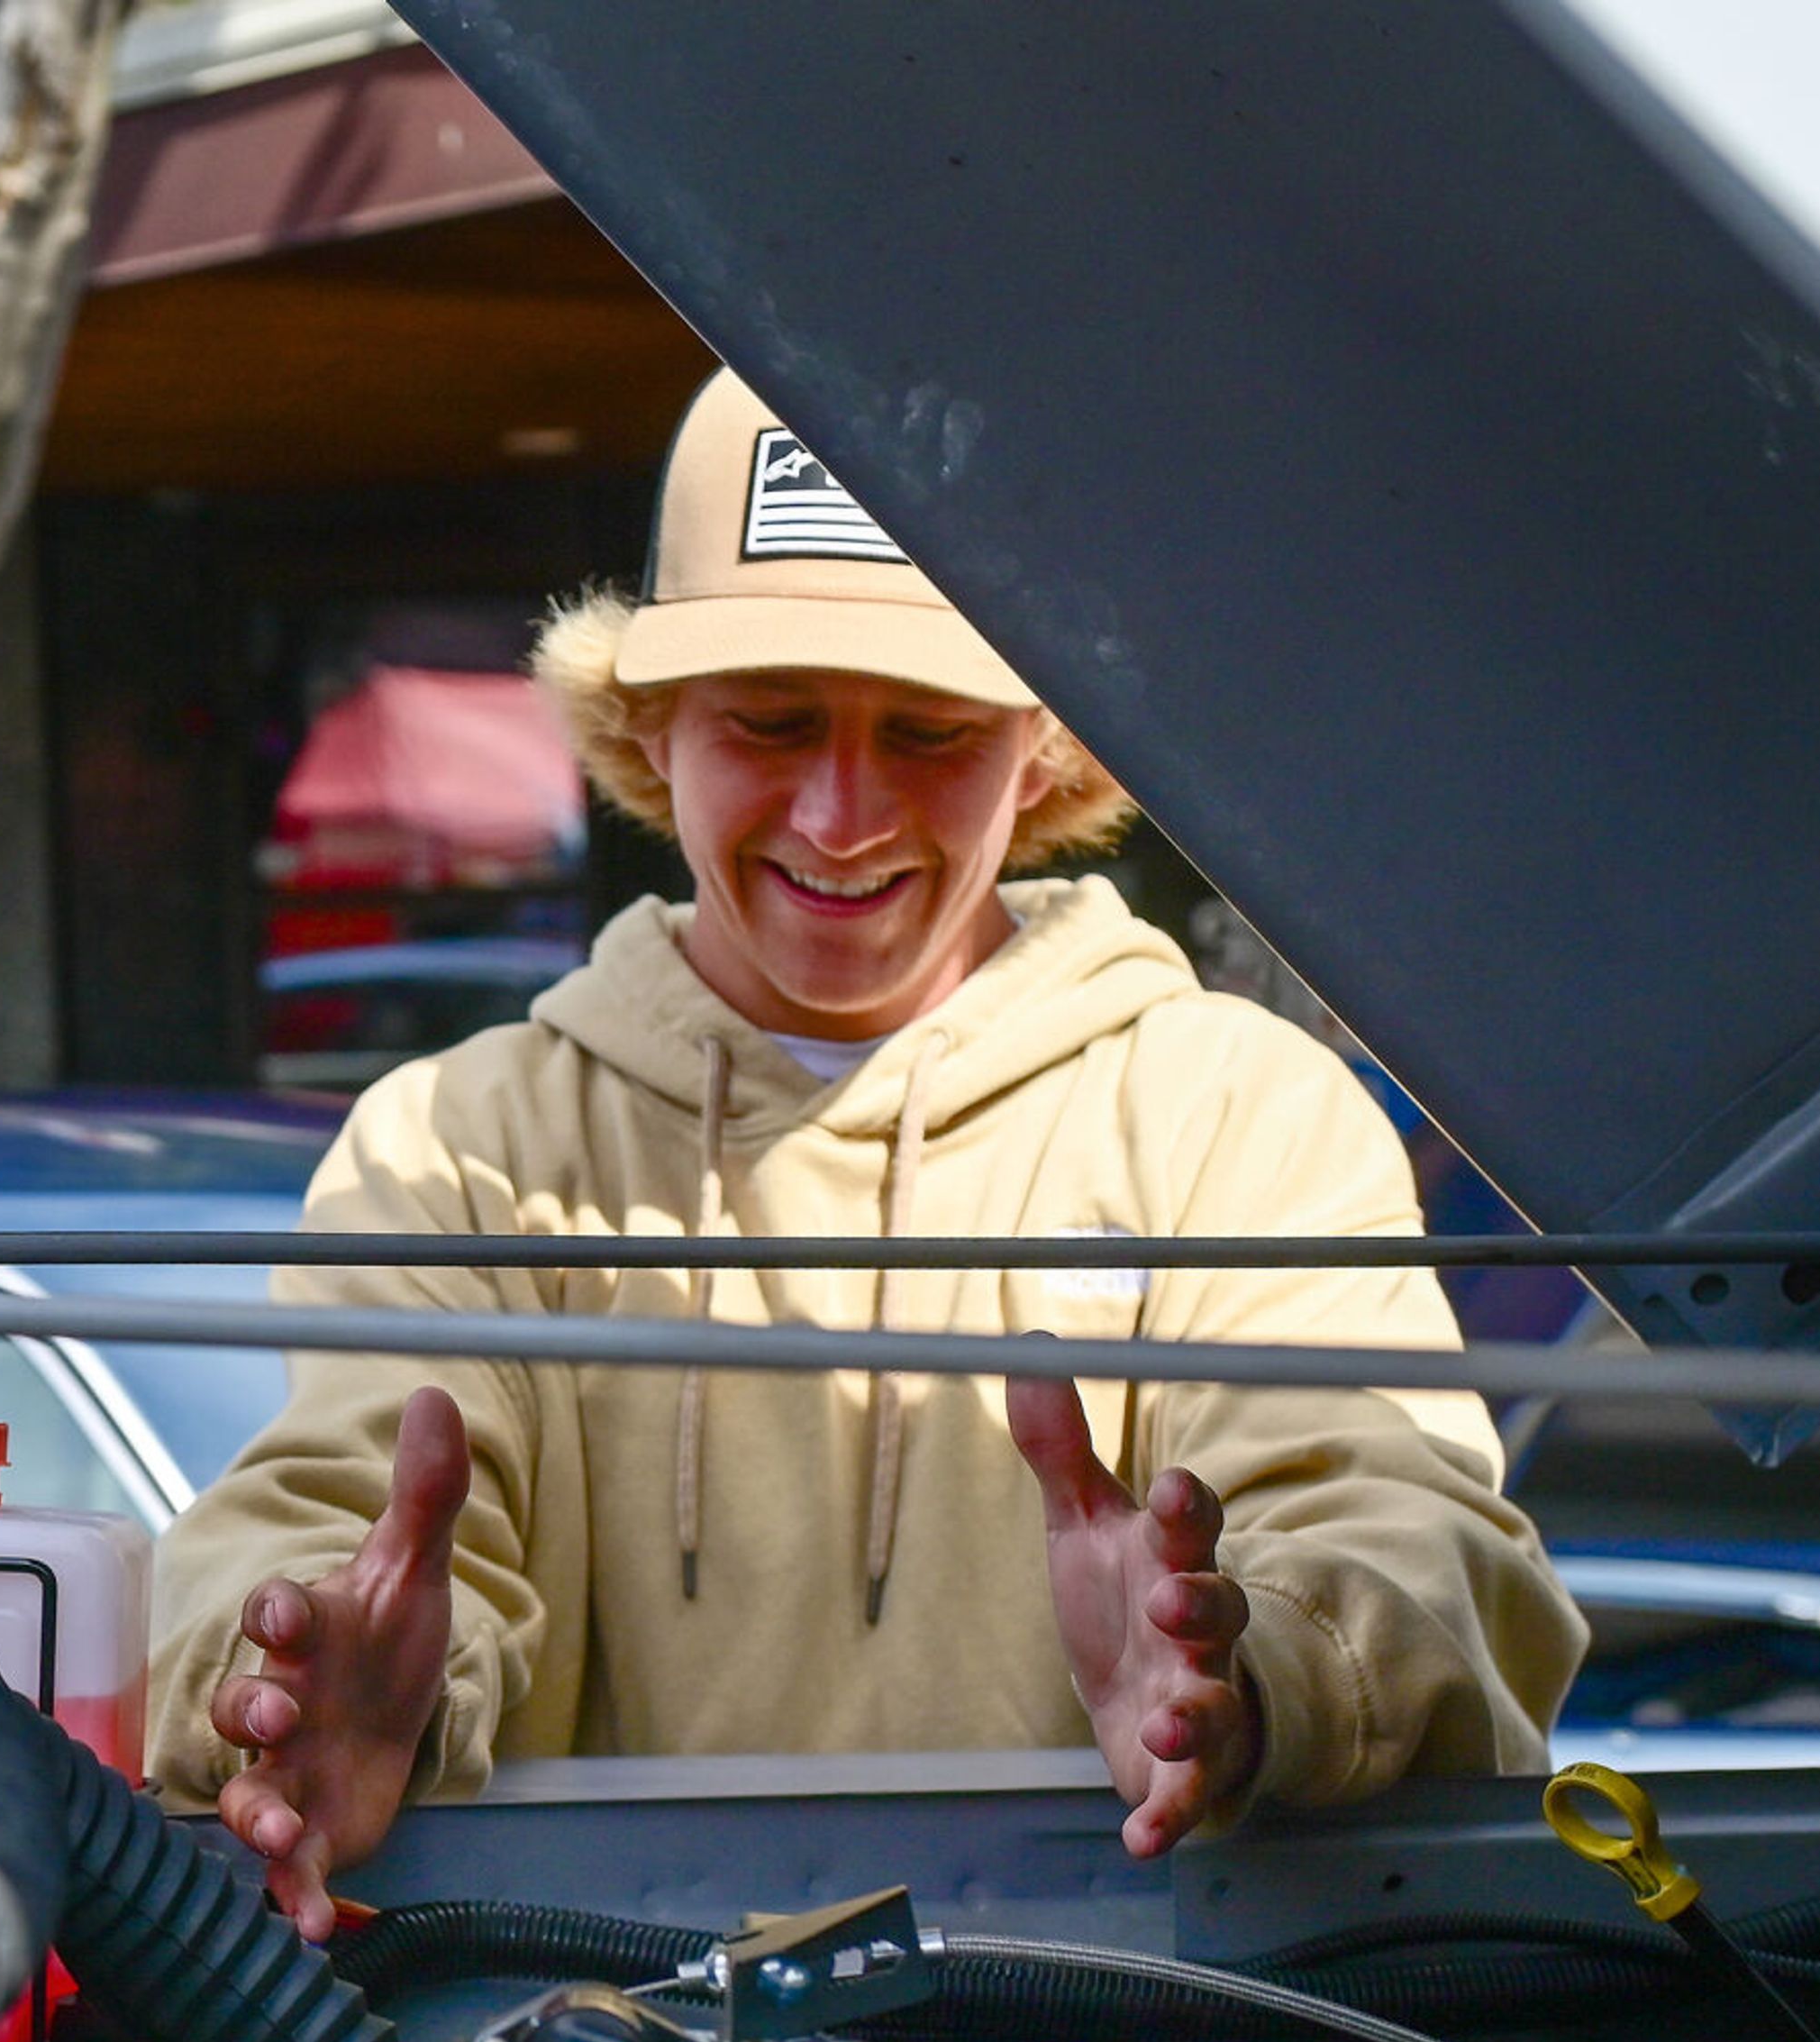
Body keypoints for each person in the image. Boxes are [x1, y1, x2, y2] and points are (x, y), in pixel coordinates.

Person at [148, 369, 1585, 1936]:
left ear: (1043, 744)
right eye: (771, 721)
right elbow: (318, 1520)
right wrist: (298, 1678)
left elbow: (1410, 1536)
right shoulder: (460, 1142)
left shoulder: (1233, 1112)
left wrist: (1263, 1671)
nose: (843, 815)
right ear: (647, 723)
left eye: (930, 732)